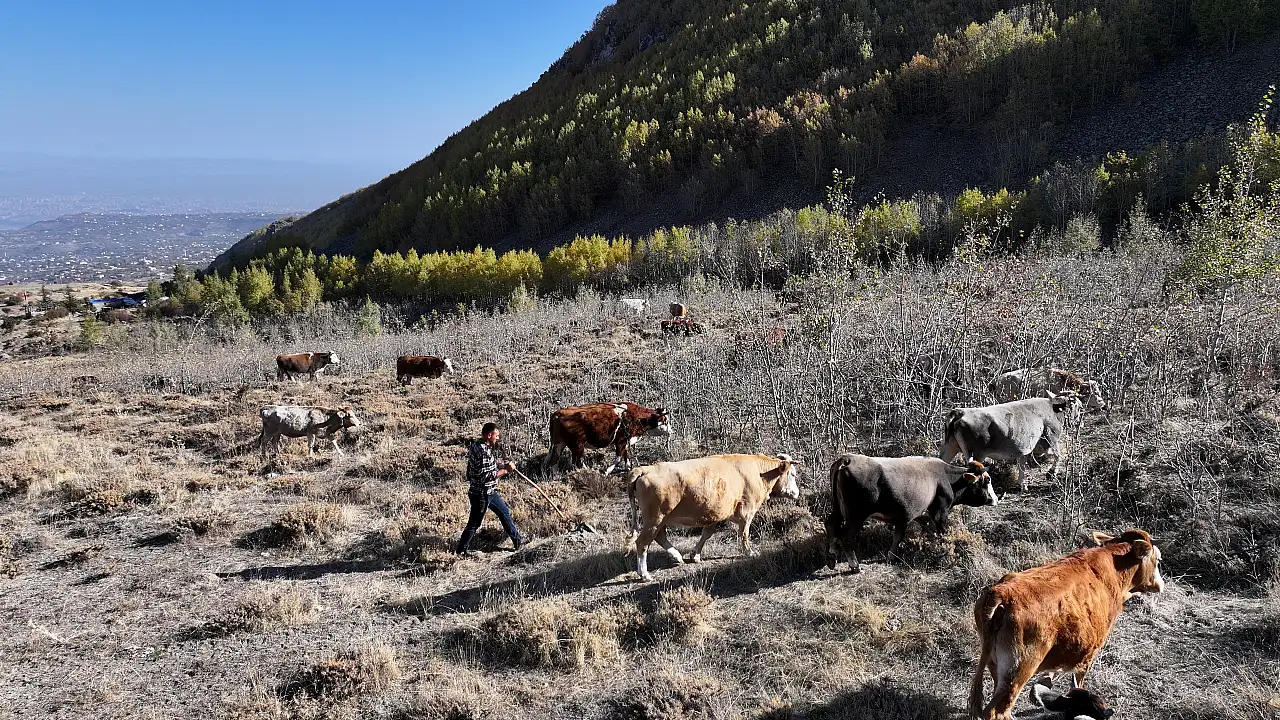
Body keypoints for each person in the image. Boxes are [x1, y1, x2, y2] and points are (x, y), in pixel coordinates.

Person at [456, 422, 524, 555]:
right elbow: (487, 476)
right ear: (489, 435)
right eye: (496, 436)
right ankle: (460, 551)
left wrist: (501, 465)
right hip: (482, 494)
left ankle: (518, 542)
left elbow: (476, 469)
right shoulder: (483, 451)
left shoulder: (476, 445)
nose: (498, 438)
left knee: (504, 513)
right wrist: (507, 470)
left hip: (488, 492)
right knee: (474, 523)